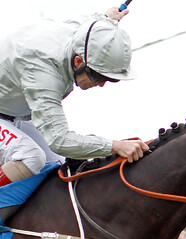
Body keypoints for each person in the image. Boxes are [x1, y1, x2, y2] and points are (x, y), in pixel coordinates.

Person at [0, 7, 148, 186]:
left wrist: (108, 18)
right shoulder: (42, 73)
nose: (101, 84)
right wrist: (115, 146)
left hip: (12, 113)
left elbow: (94, 23)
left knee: (58, 165)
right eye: (98, 76)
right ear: (78, 61)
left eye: (110, 79)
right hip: (7, 112)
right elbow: (59, 139)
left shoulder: (79, 36)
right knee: (31, 157)